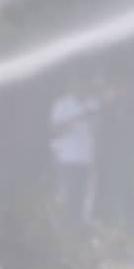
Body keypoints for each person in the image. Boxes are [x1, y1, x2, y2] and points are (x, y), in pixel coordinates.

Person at [49, 88, 98, 224]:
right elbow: (54, 131)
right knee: (65, 198)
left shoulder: (93, 104)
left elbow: (98, 133)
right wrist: (77, 119)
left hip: (87, 160)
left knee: (83, 200)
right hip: (66, 159)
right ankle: (62, 228)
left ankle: (78, 230)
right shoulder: (62, 104)